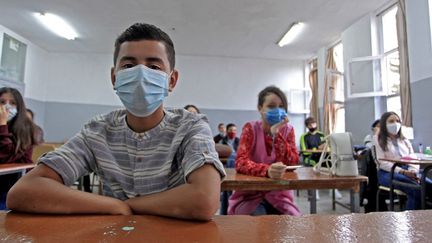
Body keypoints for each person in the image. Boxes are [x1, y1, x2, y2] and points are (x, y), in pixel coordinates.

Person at [7, 23, 225, 221]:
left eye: (154, 67)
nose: (141, 74)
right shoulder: (97, 131)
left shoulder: (191, 126)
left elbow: (204, 200)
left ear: (172, 80)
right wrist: (111, 206)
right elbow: (24, 191)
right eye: (129, 65)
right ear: (114, 78)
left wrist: (126, 206)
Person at [228, 86, 301, 216]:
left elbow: (292, 162)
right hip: (250, 194)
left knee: (291, 225)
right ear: (260, 108)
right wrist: (266, 171)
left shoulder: (288, 130)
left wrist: (276, 135)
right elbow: (240, 162)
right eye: (271, 106)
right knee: (259, 226)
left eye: (281, 106)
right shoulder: (250, 128)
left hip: (279, 194)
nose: (277, 110)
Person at [374, 111, 432, 210]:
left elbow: (412, 157)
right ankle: (410, 222)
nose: (395, 124)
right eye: (391, 121)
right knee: (415, 189)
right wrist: (404, 172)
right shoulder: (378, 139)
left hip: (408, 170)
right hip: (388, 172)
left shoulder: (404, 140)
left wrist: (413, 170)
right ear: (384, 124)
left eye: (397, 121)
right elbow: (382, 163)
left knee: (429, 186)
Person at [0, 87, 35, 210]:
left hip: (12, 187)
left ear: (19, 107)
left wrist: (2, 125)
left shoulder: (26, 128)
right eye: (2, 102)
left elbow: (6, 156)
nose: (7, 107)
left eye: (12, 103)